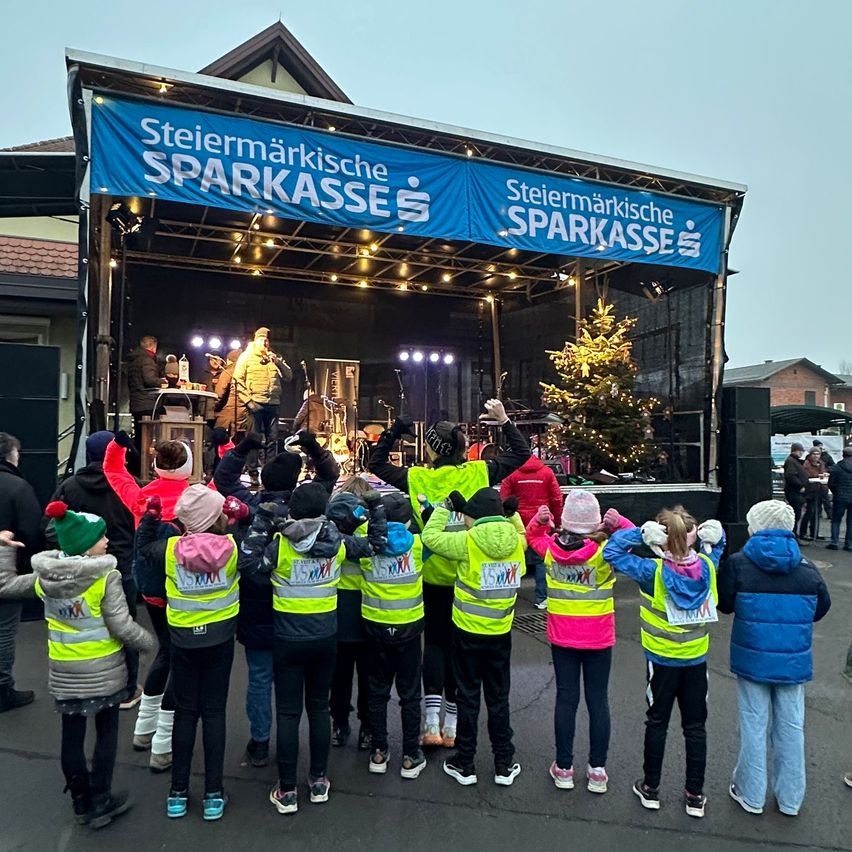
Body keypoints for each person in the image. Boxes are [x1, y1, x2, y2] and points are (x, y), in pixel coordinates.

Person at [369, 399, 530, 749]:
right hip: (467, 576)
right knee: (460, 650)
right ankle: (454, 724)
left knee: (436, 646)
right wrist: (504, 422)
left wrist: (396, 430)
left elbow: (376, 464)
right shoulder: (479, 471)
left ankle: (429, 723)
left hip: (431, 575)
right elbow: (522, 453)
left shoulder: (417, 477)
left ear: (429, 449)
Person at [0, 504, 154, 829]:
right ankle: (101, 799)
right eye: (101, 537)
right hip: (104, 672)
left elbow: (7, 586)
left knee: (71, 735)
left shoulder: (44, 579)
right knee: (106, 733)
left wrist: (2, 549)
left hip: (64, 671)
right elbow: (121, 625)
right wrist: (146, 642)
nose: (107, 541)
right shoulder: (105, 578)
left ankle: (80, 798)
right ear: (86, 544)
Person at [239, 483, 387, 814]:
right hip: (325, 637)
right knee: (319, 709)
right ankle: (319, 780)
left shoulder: (280, 546)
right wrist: (376, 508)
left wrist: (262, 519)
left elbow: (248, 563)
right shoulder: (338, 544)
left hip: (288, 638)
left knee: (289, 712)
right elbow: (377, 544)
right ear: (323, 510)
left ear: (292, 510)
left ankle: (287, 788)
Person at [603, 506, 725, 819]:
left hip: (661, 661)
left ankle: (651, 788)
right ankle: (695, 795)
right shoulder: (708, 567)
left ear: (662, 539)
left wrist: (639, 535)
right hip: (696, 660)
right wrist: (720, 538)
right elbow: (718, 550)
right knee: (695, 727)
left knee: (657, 722)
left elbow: (612, 552)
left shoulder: (651, 572)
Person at [136, 485, 247, 822]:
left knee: (186, 713)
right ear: (217, 516)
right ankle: (214, 793)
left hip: (183, 639)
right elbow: (254, 544)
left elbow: (143, 551)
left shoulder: (170, 550)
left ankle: (178, 793)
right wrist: (239, 518)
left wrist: (150, 521)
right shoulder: (231, 546)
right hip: (220, 638)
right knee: (214, 713)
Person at [230, 431, 340, 768]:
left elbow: (223, 479)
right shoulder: (306, 507)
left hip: (258, 610)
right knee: (302, 692)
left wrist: (242, 449)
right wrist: (312, 447)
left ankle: (261, 740)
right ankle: (308, 748)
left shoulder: (251, 508)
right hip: (298, 615)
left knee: (261, 679)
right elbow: (331, 475)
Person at [717, 499, 831, 818]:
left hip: (752, 657)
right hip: (794, 660)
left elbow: (724, 604)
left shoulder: (739, 564)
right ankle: (790, 798)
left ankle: (751, 793)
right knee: (792, 726)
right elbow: (821, 607)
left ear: (756, 526)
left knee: (753, 724)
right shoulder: (807, 568)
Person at [526, 491, 634, 794]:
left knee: (566, 699)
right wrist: (617, 521)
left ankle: (563, 767)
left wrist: (541, 520)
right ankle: (597, 770)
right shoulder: (606, 552)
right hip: (599, 636)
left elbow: (533, 536)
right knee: (598, 701)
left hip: (562, 636)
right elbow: (635, 536)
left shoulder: (550, 550)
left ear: (566, 520)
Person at [422, 487, 526, 787]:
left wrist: (444, 506)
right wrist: (514, 513)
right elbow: (524, 534)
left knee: (467, 697)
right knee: (498, 699)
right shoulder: (516, 544)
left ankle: (465, 763)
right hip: (500, 633)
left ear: (474, 516)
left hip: (466, 632)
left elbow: (430, 537)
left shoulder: (467, 542)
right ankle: (504, 763)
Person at [47, 431, 142, 710]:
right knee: (124, 628)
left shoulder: (70, 486)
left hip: (80, 574)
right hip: (121, 568)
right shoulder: (129, 486)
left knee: (81, 631)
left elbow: (51, 530)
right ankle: (126, 690)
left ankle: (83, 687)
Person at [361, 492, 426, 778]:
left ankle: (379, 751)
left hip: (375, 625)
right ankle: (411, 754)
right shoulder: (420, 547)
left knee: (376, 692)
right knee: (410, 694)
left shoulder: (367, 546)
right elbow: (434, 530)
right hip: (410, 626)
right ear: (408, 519)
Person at [326, 489, 372, 751]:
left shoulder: (328, 538)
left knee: (339, 678)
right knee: (368, 678)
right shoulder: (368, 535)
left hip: (338, 613)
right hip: (366, 612)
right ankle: (367, 727)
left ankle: (340, 724)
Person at [0, 431, 42, 712]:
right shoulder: (18, 487)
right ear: (12, 455)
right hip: (7, 570)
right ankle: (3, 689)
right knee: (4, 631)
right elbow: (31, 531)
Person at [499, 454, 563, 609]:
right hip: (540, 524)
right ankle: (541, 598)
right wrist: (557, 521)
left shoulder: (511, 473)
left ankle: (506, 599)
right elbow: (556, 499)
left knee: (510, 559)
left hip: (518, 523)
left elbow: (503, 499)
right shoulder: (547, 472)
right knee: (542, 560)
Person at [233, 327, 293, 483]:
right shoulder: (246, 357)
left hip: (273, 404)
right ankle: (253, 472)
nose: (265, 343)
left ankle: (270, 471)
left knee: (273, 439)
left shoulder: (275, 357)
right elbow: (237, 380)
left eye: (267, 340)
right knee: (254, 439)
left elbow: (288, 376)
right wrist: (248, 401)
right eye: (262, 340)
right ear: (256, 340)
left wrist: (278, 362)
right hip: (255, 403)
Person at [127, 335, 165, 449]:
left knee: (139, 436)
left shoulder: (134, 360)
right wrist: (161, 381)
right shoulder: (147, 360)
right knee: (147, 436)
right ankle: (145, 463)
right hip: (147, 403)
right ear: (153, 346)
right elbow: (149, 380)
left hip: (136, 402)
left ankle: (138, 463)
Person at [799, 447, 828, 541]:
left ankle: (814, 532)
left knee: (817, 512)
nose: (816, 456)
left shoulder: (821, 463)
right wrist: (818, 475)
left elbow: (823, 472)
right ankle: (803, 532)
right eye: (814, 454)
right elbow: (806, 475)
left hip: (820, 490)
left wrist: (824, 474)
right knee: (810, 512)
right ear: (810, 455)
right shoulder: (806, 464)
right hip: (810, 491)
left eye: (818, 454)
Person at [827, 446, 852, 551]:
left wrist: (836, 492)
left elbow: (831, 483)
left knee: (836, 520)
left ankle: (834, 542)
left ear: (843, 454)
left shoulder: (837, 467)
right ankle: (849, 544)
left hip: (839, 497)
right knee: (851, 521)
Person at [783, 443, 809, 536]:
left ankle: (794, 535)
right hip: (795, 491)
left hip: (795, 491)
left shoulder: (793, 460)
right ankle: (793, 536)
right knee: (795, 515)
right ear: (796, 450)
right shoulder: (791, 461)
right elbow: (790, 476)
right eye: (800, 451)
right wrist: (800, 486)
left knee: (796, 514)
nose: (802, 453)